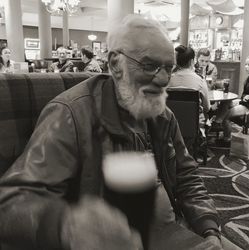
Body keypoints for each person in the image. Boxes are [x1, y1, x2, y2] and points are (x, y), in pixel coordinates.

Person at [0, 15, 223, 250]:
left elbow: (187, 177)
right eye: (149, 65)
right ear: (115, 64)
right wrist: (68, 226)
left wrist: (209, 228)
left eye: (169, 68)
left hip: (169, 233)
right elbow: (10, 203)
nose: (163, 79)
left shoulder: (162, 116)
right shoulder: (71, 114)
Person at [168, 45, 210, 125]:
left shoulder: (168, 80)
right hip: (193, 127)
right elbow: (207, 108)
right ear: (192, 61)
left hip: (171, 127)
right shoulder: (200, 81)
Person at [212, 56, 249, 144]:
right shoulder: (248, 78)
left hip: (248, 106)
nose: (246, 67)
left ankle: (227, 139)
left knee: (226, 116)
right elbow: (244, 94)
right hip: (244, 103)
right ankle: (217, 122)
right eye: (246, 64)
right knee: (226, 102)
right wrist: (244, 97)